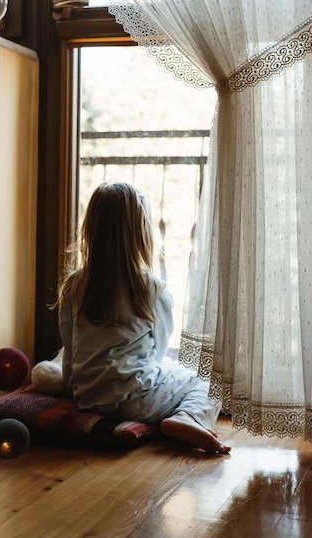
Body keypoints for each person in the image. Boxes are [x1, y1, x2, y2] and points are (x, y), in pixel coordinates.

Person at [57, 181, 230, 455]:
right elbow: (158, 351)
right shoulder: (150, 288)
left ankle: (175, 416)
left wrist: (72, 389)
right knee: (209, 382)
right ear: (141, 234)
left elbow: (70, 348)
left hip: (87, 398)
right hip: (137, 401)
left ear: (91, 229)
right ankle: (187, 418)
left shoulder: (74, 286)